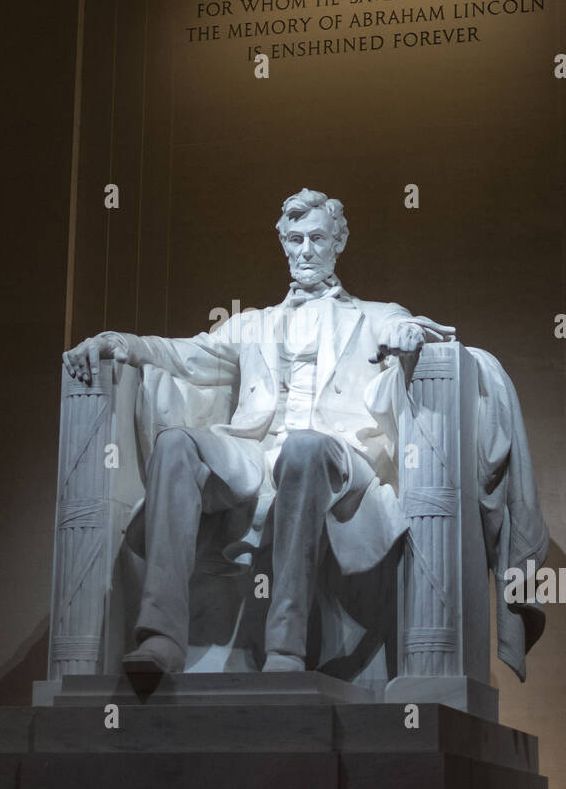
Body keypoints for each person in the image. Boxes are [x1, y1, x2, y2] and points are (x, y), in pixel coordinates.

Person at [64, 187, 455, 676]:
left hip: (335, 457)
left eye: (317, 237)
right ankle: (161, 636)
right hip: (259, 450)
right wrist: (122, 342)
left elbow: (407, 326)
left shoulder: (375, 315)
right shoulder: (252, 324)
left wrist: (407, 334)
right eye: (295, 239)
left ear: (339, 242)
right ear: (285, 245)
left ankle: (285, 647)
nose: (306, 250)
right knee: (177, 443)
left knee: (305, 448)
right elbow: (187, 353)